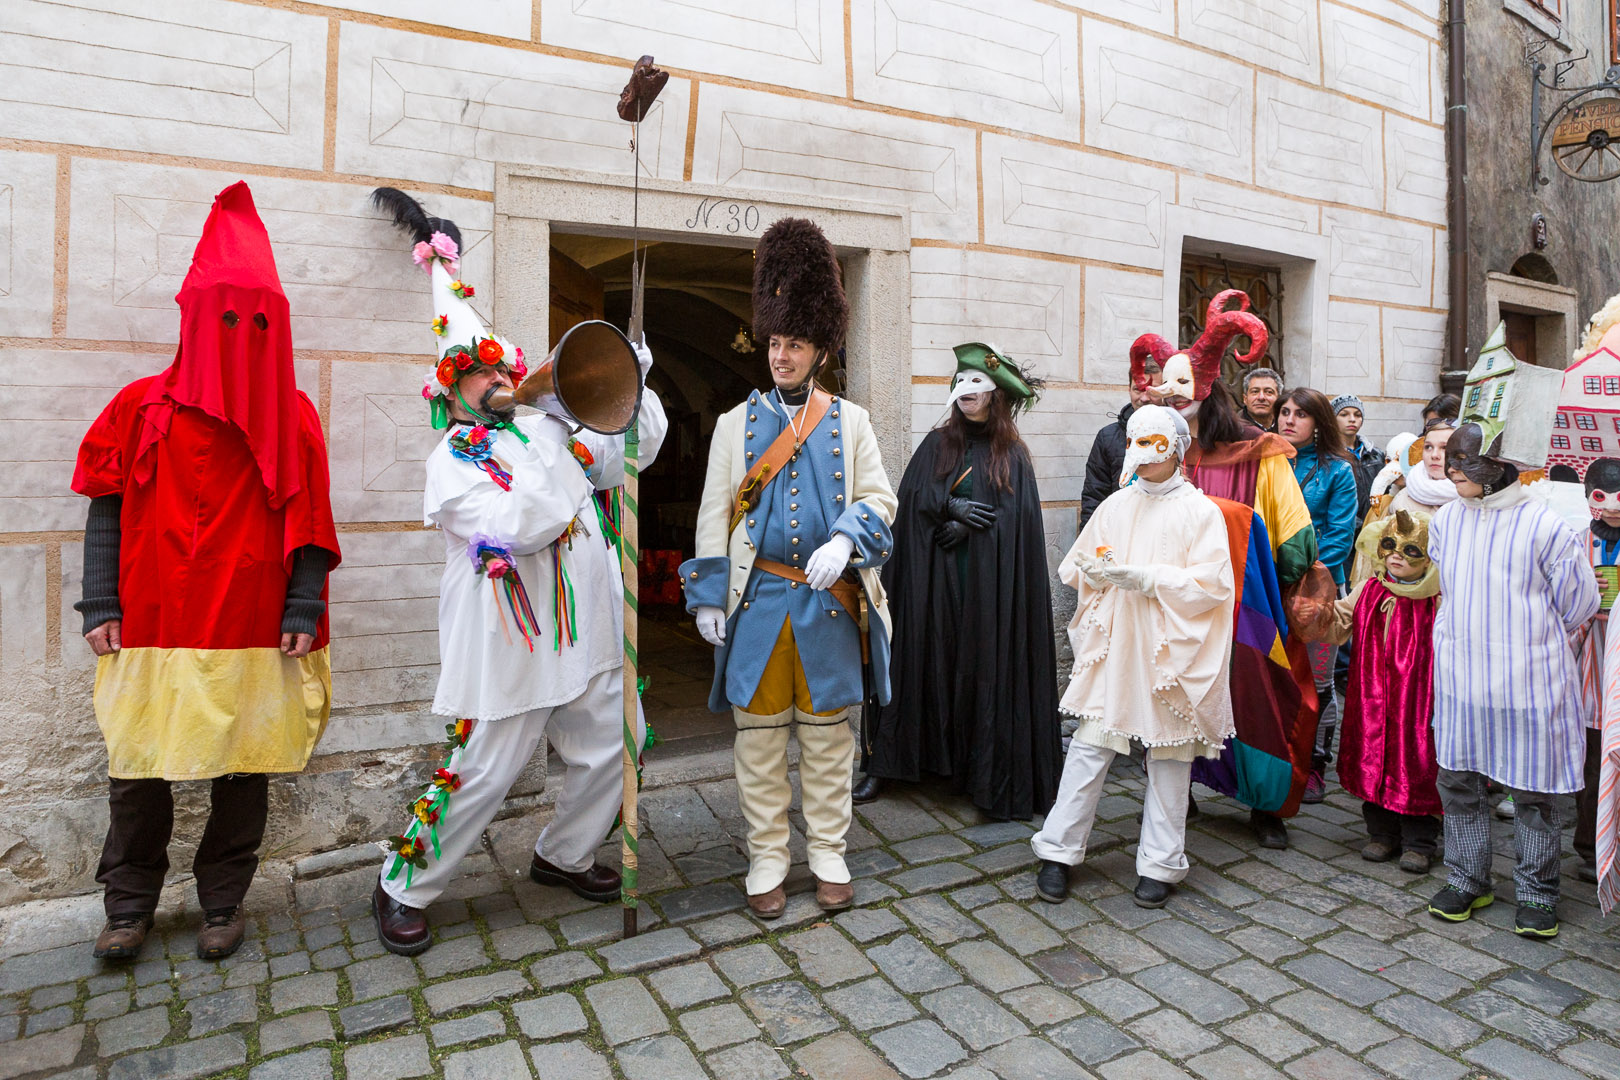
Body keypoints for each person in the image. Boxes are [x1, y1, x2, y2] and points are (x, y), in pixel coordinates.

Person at [368, 190, 666, 955]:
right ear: (449, 391)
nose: (497, 378)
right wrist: (558, 443)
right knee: (487, 770)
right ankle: (405, 883)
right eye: (476, 373)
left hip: (590, 628)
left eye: (500, 364)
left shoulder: (541, 423)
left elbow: (633, 453)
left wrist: (635, 386)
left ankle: (563, 855)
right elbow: (521, 526)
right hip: (516, 640)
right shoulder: (451, 464)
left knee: (618, 744)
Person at [71, 182, 340, 961]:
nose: (240, 335)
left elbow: (312, 523)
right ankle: (128, 905)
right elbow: (107, 506)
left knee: (244, 766)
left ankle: (223, 900)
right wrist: (98, 601)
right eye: (226, 317)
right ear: (193, 318)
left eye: (257, 321)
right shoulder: (139, 406)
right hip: (151, 619)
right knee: (136, 767)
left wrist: (302, 608)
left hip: (252, 619)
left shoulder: (292, 415)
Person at [681, 217, 897, 919]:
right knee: (761, 745)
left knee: (829, 741)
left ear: (819, 350)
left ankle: (829, 850)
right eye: (775, 342)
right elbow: (715, 514)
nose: (781, 355)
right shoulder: (732, 426)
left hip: (829, 601)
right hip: (758, 603)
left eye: (794, 343)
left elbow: (879, 499)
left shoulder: (852, 422)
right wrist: (708, 596)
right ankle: (768, 856)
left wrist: (848, 538)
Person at [1135, 292, 1319, 851]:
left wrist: (1278, 580)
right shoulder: (1155, 454)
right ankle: (1176, 792)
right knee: (1171, 697)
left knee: (1259, 698)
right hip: (1172, 606)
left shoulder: (1260, 453)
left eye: (1181, 390)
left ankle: (1265, 805)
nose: (1170, 400)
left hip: (1245, 609)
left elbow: (1295, 539)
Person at [1032, 406, 1235, 909]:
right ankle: (1058, 851)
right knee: (1090, 746)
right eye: (1133, 442)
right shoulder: (1116, 506)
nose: (1139, 455)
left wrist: (1152, 579)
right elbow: (1077, 562)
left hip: (1169, 650)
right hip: (1118, 646)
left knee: (1169, 755)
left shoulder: (1200, 513)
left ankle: (1161, 862)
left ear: (1175, 450)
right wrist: (1095, 573)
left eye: (1151, 443)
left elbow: (1213, 585)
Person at [855, 344, 1058, 819]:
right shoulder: (935, 444)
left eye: (977, 386)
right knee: (921, 659)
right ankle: (889, 763)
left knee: (983, 667)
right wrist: (947, 506)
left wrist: (974, 524)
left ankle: (983, 773)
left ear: (995, 396)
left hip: (988, 589)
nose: (966, 392)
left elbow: (1019, 521)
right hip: (932, 582)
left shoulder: (1013, 455)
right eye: (960, 383)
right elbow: (909, 500)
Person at [1428, 423, 1599, 938]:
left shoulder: (1546, 526)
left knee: (1534, 789)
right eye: (1450, 462)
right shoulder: (1446, 521)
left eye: (1463, 463)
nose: (1451, 470)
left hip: (1529, 679)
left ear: (1498, 466)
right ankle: (1467, 876)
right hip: (1461, 675)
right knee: (1459, 780)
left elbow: (1580, 604)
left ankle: (1537, 889)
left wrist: (1524, 640)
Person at [1331, 510, 1442, 873]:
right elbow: (1338, 621)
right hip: (1373, 699)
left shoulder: (1437, 598)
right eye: (1391, 545)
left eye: (1411, 550)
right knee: (1373, 757)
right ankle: (1381, 833)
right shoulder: (1369, 589)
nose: (1396, 555)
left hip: (1418, 702)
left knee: (1417, 763)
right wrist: (1313, 610)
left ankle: (1420, 841)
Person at [1277, 388, 1361, 803]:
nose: (1289, 420)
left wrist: (1301, 580)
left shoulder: (1338, 470)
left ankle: (1315, 764)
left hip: (1319, 589)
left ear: (1319, 423)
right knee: (1275, 675)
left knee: (1318, 682)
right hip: (1270, 586)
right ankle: (1276, 759)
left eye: (1301, 414)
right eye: (1285, 412)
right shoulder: (1267, 462)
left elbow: (1340, 536)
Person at [1574, 459, 1620, 884]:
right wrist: (1586, 590)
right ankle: (1589, 845)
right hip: (1589, 662)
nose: (1613, 507)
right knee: (1591, 759)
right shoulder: (1576, 542)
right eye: (1602, 495)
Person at [1080, 369, 1160, 529]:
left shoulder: (1181, 437)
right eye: (1138, 389)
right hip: (1119, 539)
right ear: (1129, 389)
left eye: (1151, 390)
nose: (1144, 398)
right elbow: (1095, 498)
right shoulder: (1107, 437)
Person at [1239, 367, 1283, 431]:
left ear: (1278, 399)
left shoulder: (1286, 427)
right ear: (1245, 399)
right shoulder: (1235, 430)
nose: (1261, 397)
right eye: (1255, 391)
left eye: (1268, 392)